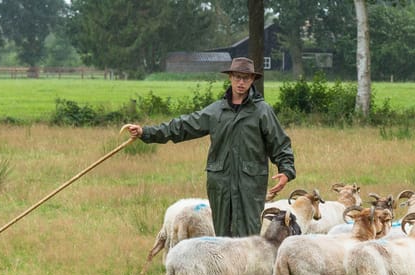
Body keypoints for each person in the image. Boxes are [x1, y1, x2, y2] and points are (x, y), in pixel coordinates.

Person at [122, 57, 295, 237]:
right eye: (237, 77)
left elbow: (280, 143)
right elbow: (183, 126)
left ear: (252, 80)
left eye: (246, 78)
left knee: (248, 240)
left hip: (250, 187)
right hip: (220, 186)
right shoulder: (216, 111)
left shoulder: (262, 111)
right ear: (230, 78)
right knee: (221, 238)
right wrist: (145, 132)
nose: (241, 82)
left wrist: (286, 170)